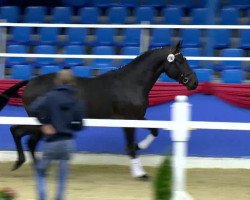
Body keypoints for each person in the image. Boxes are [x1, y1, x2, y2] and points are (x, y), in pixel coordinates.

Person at [29, 70, 86, 200]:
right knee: (62, 177)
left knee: (41, 172)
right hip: (68, 142)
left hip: (52, 141)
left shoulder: (50, 96)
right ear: (72, 82)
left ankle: (42, 197)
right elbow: (80, 125)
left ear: (57, 81)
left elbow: (33, 108)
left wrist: (44, 124)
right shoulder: (77, 99)